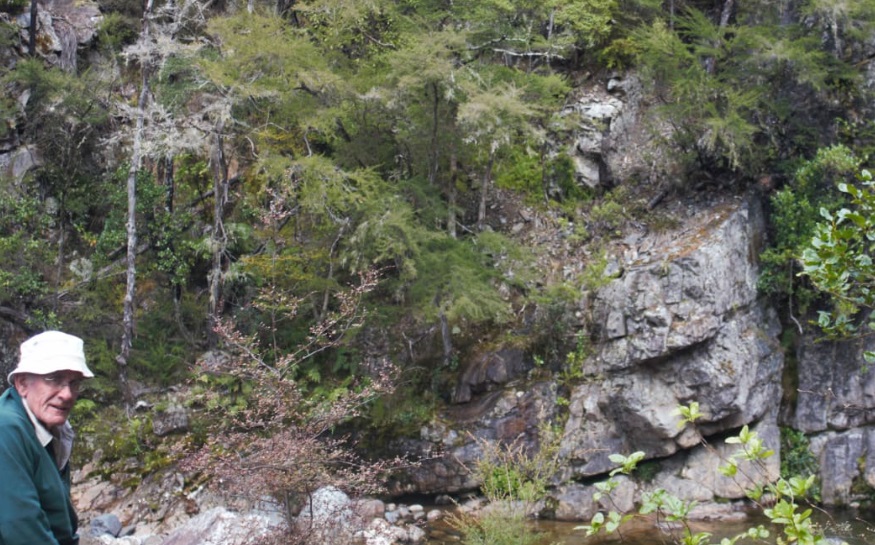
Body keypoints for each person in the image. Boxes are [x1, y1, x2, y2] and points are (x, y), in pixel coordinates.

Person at [0, 330, 94, 545]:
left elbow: (57, 518)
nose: (67, 394)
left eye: (74, 382)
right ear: (22, 383)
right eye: (54, 379)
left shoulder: (54, 431)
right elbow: (20, 528)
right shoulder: (6, 429)